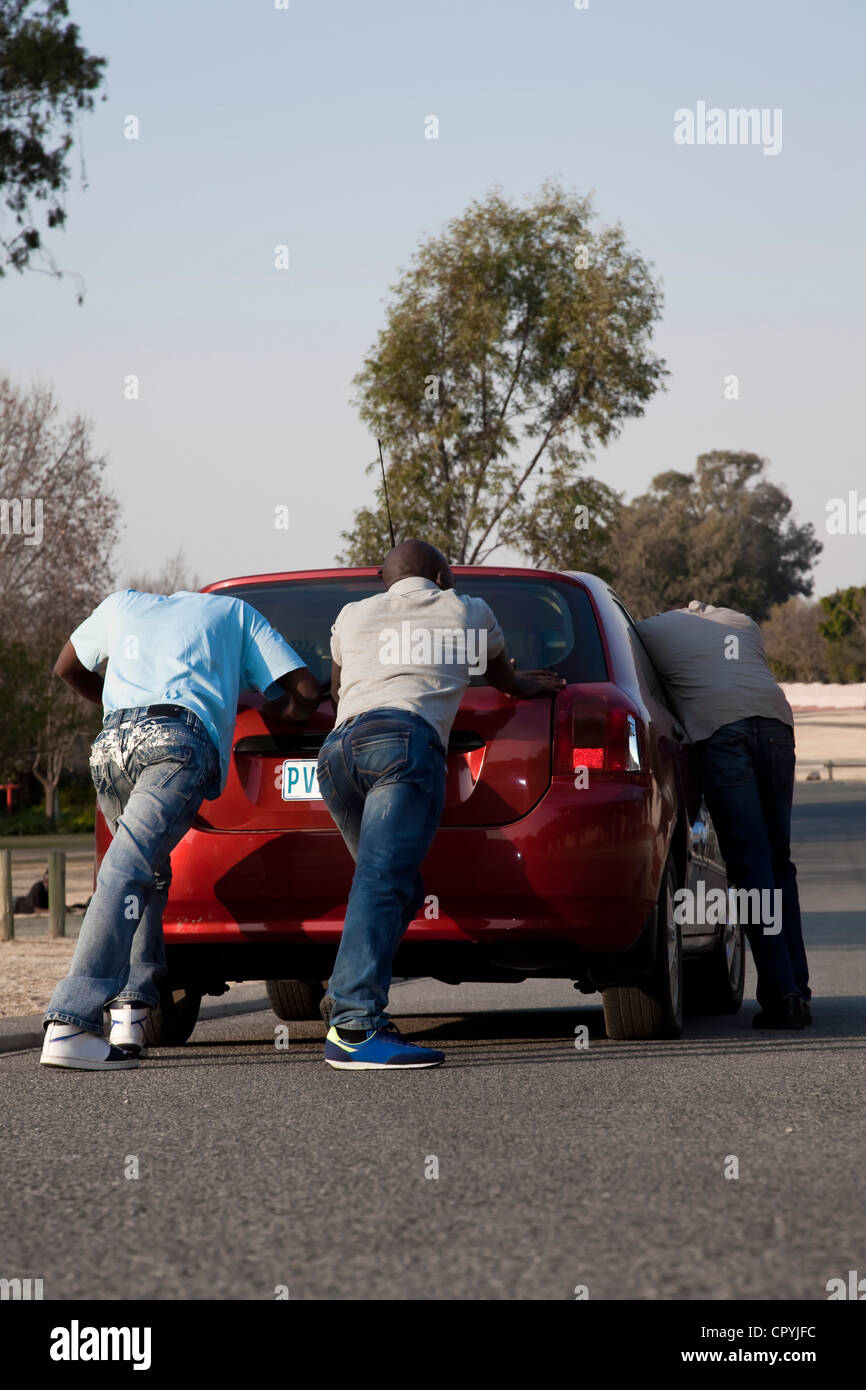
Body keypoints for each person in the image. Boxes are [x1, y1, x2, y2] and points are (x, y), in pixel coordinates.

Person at [41, 588, 320, 1070]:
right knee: (127, 871)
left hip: (113, 747)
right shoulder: (234, 613)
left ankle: (129, 1014)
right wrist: (268, 709)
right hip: (174, 743)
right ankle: (71, 1021)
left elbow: (67, 667)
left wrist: (113, 701)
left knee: (143, 873)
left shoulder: (121, 603)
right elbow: (305, 694)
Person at [317, 539, 565, 1070]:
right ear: (440, 574)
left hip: (337, 755)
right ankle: (355, 1026)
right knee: (382, 883)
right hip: (403, 744)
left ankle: (345, 994)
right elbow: (502, 677)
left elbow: (338, 689)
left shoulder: (352, 615)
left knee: (397, 889)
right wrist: (525, 683)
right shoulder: (466, 609)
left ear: (384, 578)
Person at [635, 600, 810, 1029]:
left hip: (722, 733)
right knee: (777, 862)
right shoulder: (742, 621)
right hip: (775, 727)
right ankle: (797, 990)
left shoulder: (652, 630)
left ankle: (781, 996)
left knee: (750, 865)